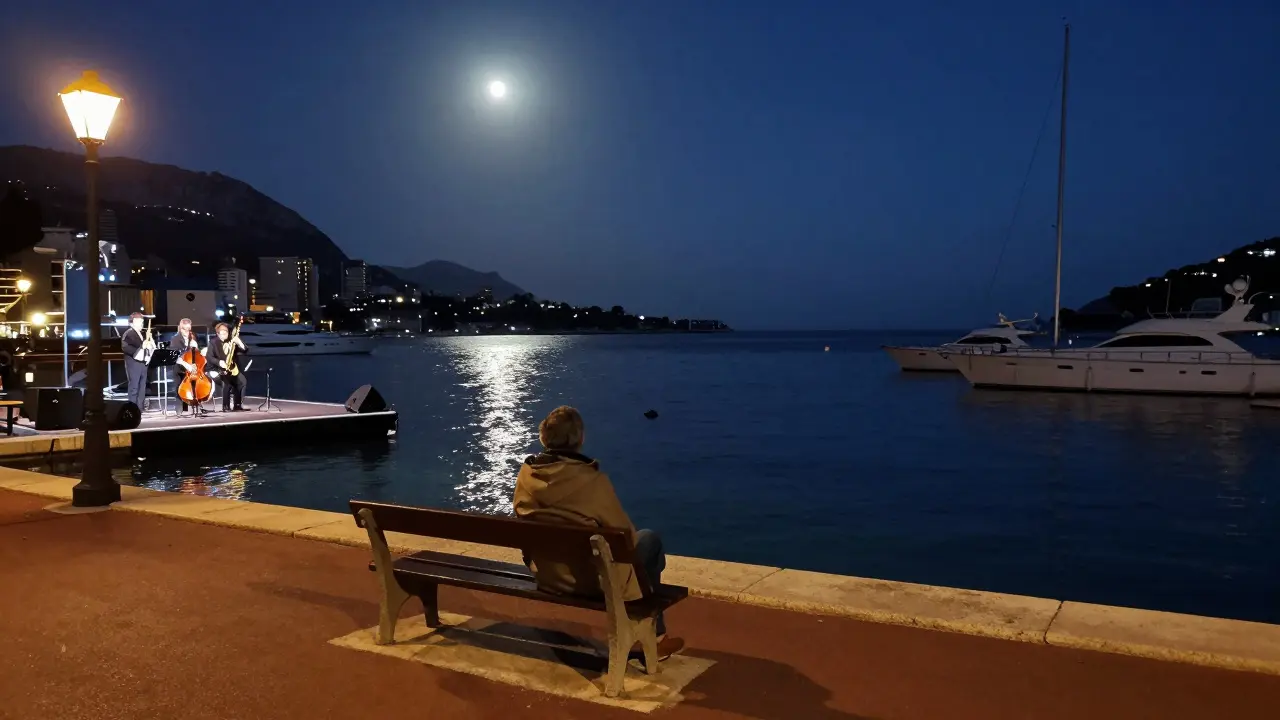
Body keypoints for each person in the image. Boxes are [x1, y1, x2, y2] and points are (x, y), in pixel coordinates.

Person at [512, 406, 683, 659]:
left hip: (547, 574)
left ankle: (652, 632)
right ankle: (654, 637)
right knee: (650, 542)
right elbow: (626, 537)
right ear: (580, 439)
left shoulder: (526, 476)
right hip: (591, 583)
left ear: (544, 437)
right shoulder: (592, 482)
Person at [205, 322, 249, 412]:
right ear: (218, 334)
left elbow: (245, 350)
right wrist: (219, 362)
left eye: (226, 333)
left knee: (241, 381)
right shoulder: (213, 342)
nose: (225, 335)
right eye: (222, 333)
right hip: (216, 369)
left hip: (230, 369)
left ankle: (237, 405)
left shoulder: (232, 340)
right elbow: (209, 357)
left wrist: (239, 342)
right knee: (227, 383)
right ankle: (225, 407)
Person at [168, 318, 206, 415]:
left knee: (195, 383)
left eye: (189, 329)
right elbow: (177, 357)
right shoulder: (175, 339)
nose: (188, 332)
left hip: (191, 366)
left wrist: (196, 347)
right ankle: (179, 410)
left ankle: (195, 404)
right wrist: (187, 364)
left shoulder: (193, 337)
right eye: (185, 329)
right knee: (179, 387)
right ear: (181, 329)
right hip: (179, 366)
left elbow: (196, 353)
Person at [120, 312, 154, 411]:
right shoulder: (128, 334)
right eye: (139, 321)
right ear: (132, 322)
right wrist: (141, 347)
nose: (142, 323)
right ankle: (132, 409)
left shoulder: (141, 333)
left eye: (142, 321)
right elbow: (125, 347)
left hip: (142, 363)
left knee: (142, 387)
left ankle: (140, 408)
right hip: (133, 364)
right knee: (134, 387)